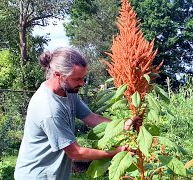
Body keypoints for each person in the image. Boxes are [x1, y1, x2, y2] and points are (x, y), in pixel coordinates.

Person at [14, 47, 141, 180]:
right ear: (58, 75)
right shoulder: (49, 109)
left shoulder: (67, 91)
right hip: (37, 175)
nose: (82, 83)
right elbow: (76, 153)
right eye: (77, 79)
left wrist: (123, 124)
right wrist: (115, 152)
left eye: (83, 78)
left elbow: (91, 118)